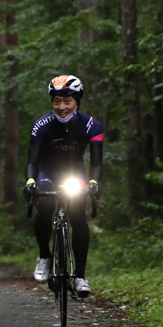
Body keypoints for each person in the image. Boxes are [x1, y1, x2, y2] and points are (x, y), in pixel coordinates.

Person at [24, 74, 103, 298]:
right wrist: (30, 182)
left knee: (78, 216)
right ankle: (44, 256)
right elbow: (32, 161)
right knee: (45, 206)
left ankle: (79, 276)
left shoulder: (91, 126)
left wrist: (94, 183)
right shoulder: (42, 126)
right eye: (57, 101)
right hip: (46, 172)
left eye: (67, 101)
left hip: (74, 174)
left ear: (77, 101)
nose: (61, 107)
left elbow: (96, 163)